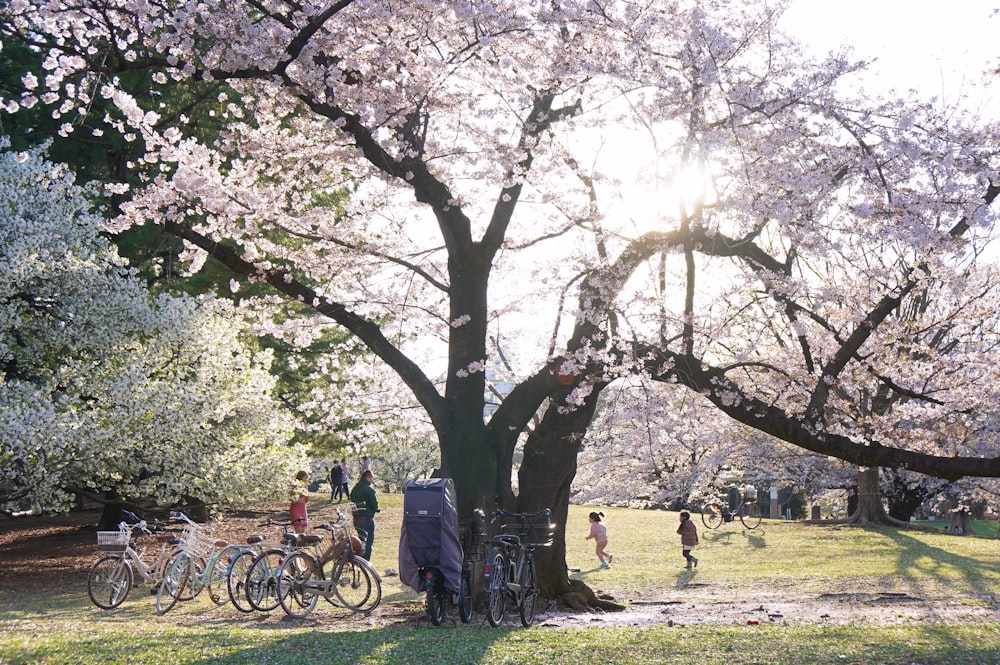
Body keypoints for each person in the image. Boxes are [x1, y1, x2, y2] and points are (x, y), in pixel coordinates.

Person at [349, 469, 379, 560]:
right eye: (372, 478)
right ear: (368, 477)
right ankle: (366, 560)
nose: (372, 480)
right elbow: (374, 504)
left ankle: (358, 558)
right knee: (368, 541)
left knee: (361, 539)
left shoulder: (354, 489)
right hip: (367, 518)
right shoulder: (369, 490)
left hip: (356, 518)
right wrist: (376, 509)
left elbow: (352, 502)